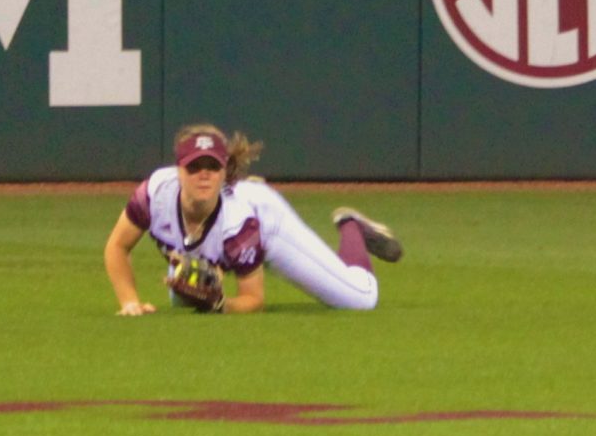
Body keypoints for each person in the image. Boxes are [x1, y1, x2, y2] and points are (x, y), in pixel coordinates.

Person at [104, 124, 403, 316]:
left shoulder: (238, 221)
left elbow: (253, 299)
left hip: (269, 225)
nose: (204, 174)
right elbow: (117, 247)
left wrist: (221, 305)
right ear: (179, 170)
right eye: (195, 167)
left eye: (212, 166)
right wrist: (130, 302)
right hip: (211, 243)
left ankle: (352, 227)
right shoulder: (155, 192)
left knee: (360, 299)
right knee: (182, 295)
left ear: (224, 171)